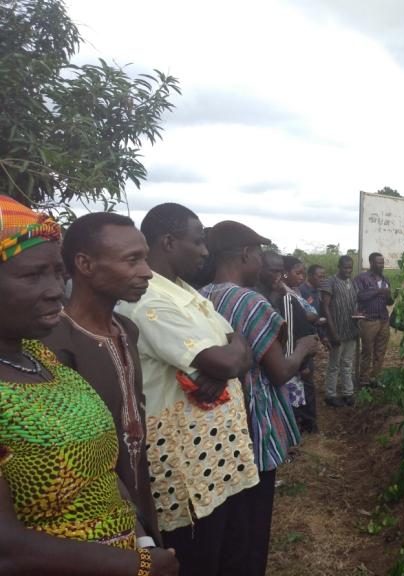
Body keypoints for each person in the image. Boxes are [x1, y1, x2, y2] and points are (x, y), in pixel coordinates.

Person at [0, 196, 178, 575]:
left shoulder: (37, 356)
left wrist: (141, 540)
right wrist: (140, 565)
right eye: (33, 276)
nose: (54, 290)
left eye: (56, 273)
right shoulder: (52, 347)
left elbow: (101, 473)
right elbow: (7, 549)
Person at [118, 203, 258, 576]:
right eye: (198, 242)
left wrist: (226, 360)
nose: (205, 251)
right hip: (188, 474)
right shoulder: (149, 302)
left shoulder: (187, 294)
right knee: (200, 561)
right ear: (168, 242)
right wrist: (227, 361)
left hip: (221, 463)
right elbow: (229, 360)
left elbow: (238, 342)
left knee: (231, 555)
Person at [200, 224, 319, 576]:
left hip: (216, 423)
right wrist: (303, 347)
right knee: (250, 531)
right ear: (245, 254)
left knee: (226, 523)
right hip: (252, 424)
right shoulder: (248, 300)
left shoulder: (200, 295)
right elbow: (280, 371)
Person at [43, 212, 162, 547]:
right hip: (89, 523)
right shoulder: (54, 343)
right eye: (132, 260)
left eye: (145, 259)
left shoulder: (127, 330)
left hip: (138, 494)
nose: (147, 272)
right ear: (85, 264)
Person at [280, 255, 319, 432]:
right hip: (297, 349)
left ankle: (307, 422)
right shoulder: (286, 296)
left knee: (306, 386)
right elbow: (294, 324)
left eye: (303, 273)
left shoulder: (295, 292)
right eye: (298, 273)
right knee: (302, 384)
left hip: (304, 346)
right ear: (285, 273)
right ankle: (304, 424)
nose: (301, 277)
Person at [321, 254, 359, 406]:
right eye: (345, 267)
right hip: (336, 330)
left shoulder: (352, 282)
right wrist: (332, 332)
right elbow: (325, 307)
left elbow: (355, 302)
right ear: (339, 266)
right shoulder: (330, 282)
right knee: (334, 365)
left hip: (351, 330)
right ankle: (330, 395)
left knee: (347, 363)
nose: (348, 270)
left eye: (350, 267)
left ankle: (347, 393)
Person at [354, 252, 394, 388]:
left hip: (383, 319)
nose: (381, 265)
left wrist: (390, 296)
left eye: (382, 262)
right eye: (379, 262)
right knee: (367, 351)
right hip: (369, 320)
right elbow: (359, 296)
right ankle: (363, 380)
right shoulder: (362, 278)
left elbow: (388, 302)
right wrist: (379, 291)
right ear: (371, 263)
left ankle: (374, 378)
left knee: (380, 351)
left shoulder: (385, 279)